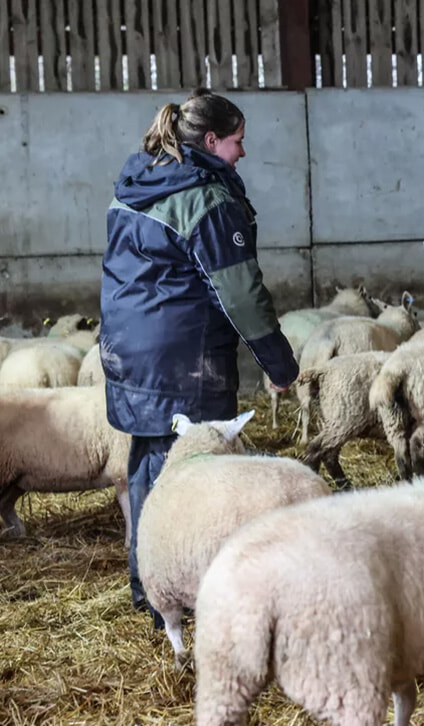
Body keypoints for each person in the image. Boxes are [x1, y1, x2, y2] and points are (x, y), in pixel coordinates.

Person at [100, 89, 298, 623]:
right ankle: (192, 590)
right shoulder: (205, 197)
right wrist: (279, 365)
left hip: (130, 351)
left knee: (149, 466)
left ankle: (152, 588)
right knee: (195, 474)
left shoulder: (139, 181)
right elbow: (239, 294)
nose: (243, 153)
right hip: (183, 355)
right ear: (211, 140)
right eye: (238, 141)